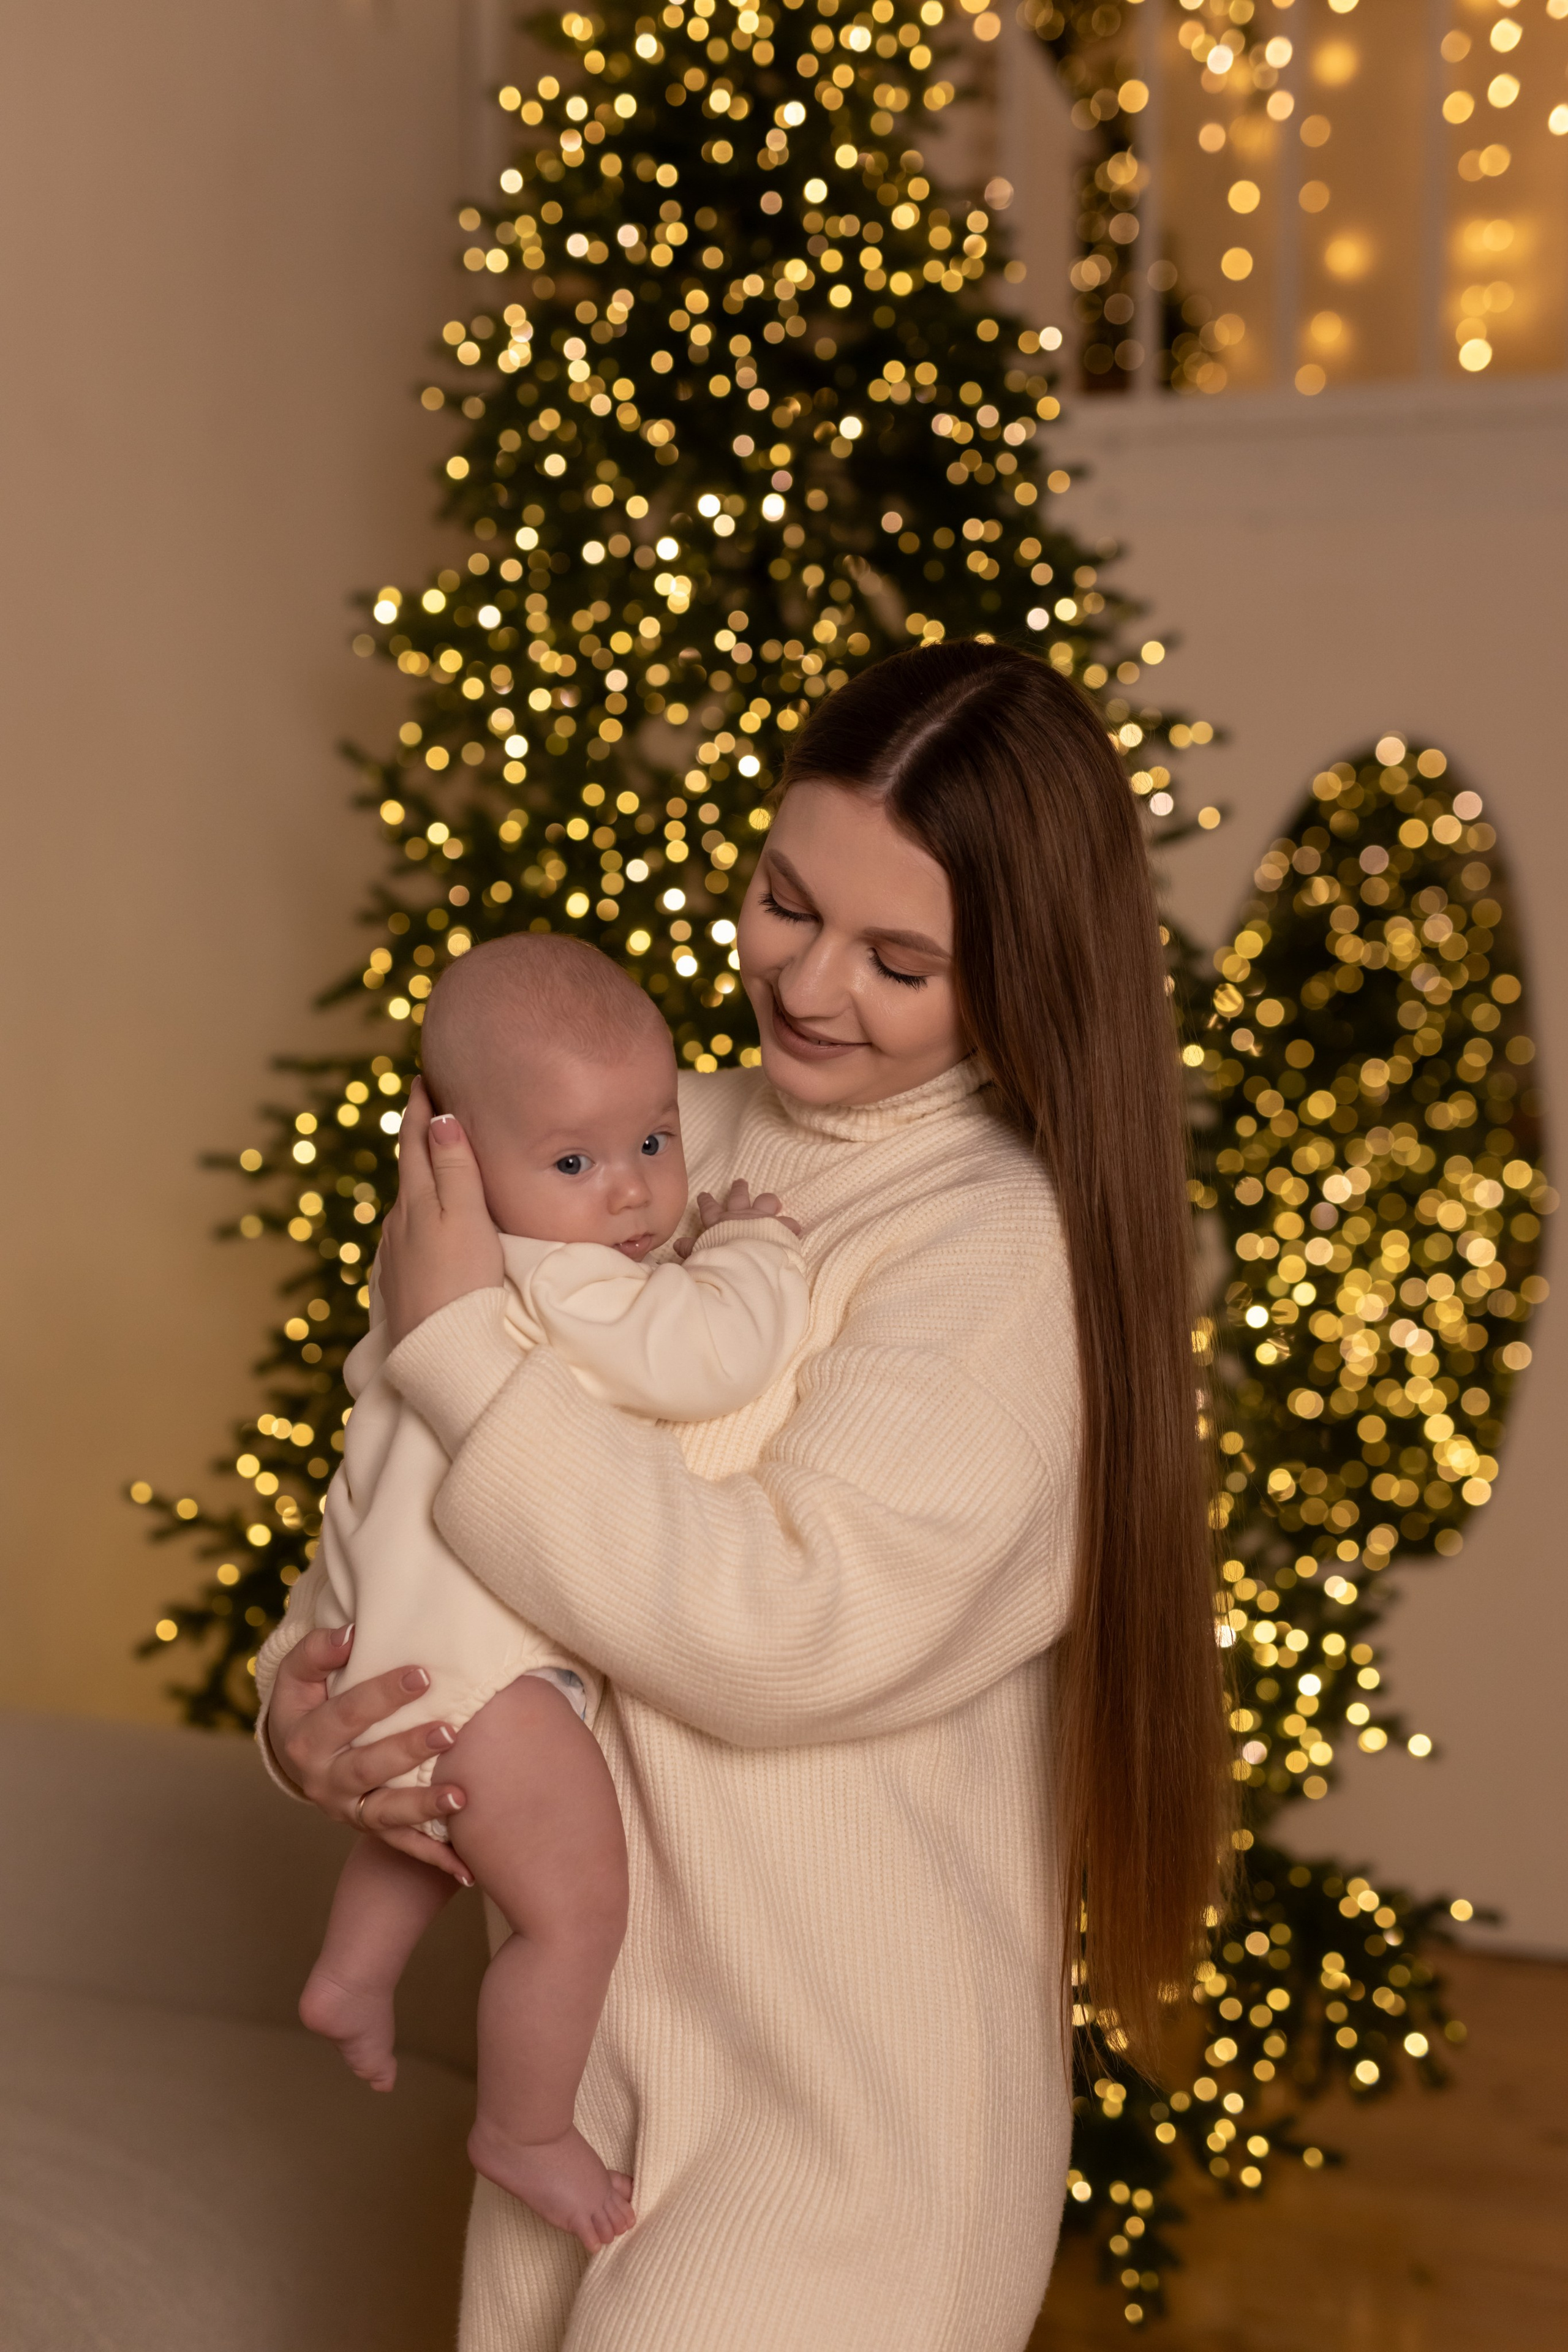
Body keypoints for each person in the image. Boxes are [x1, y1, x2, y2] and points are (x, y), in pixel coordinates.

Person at [261, 639, 1229, 2352]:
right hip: (581, 2098)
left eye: (899, 957)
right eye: (787, 901)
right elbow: (393, 1473)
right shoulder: (636, 1135)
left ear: (1019, 973)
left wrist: (468, 1343)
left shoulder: (997, 1252)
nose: (808, 982)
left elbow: (783, 1632)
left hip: (844, 2136)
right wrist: (311, 1708)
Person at [264, 934, 809, 2250]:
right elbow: (709, 1354)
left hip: (386, 1642)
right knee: (572, 1910)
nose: (626, 1194)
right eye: (571, 1162)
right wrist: (754, 1253)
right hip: (490, 1672)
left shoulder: (416, 1287)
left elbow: (367, 1451)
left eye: (653, 1142)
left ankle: (354, 1973)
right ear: (451, 1151)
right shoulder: (563, 1281)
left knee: (431, 1831)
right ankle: (522, 2128)